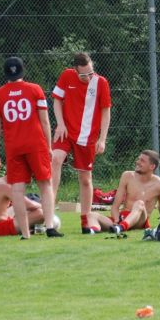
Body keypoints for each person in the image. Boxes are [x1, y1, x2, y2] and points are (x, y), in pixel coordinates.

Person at [0, 56, 62, 239]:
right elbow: (44, 121)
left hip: (14, 146)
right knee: (45, 184)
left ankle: (25, 233)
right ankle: (50, 227)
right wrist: (49, 146)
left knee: (17, 190)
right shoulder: (35, 89)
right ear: (23, 70)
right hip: (35, 144)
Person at [51, 52, 112, 233]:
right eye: (83, 75)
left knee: (85, 179)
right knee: (55, 159)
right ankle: (47, 211)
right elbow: (56, 100)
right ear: (75, 70)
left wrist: (102, 139)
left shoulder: (101, 83)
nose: (88, 77)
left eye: (90, 73)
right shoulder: (67, 75)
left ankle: (86, 220)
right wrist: (60, 124)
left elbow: (106, 111)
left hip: (87, 137)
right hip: (66, 132)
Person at [85, 150, 160, 234]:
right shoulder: (127, 176)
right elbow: (115, 206)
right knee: (91, 215)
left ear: (152, 166)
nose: (138, 162)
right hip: (122, 219)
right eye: (138, 159)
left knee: (139, 203)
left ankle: (121, 227)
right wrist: (116, 220)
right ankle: (93, 230)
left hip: (140, 221)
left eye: (142, 161)